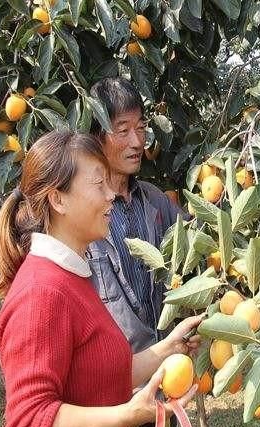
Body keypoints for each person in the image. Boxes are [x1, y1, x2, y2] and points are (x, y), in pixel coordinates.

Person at [0, 131, 201, 427]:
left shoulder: (71, 277)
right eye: (98, 184)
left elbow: (102, 373)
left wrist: (169, 347)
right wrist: (128, 414)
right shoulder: (42, 292)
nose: (111, 194)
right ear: (58, 199)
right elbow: (30, 420)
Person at [87, 77, 185, 355]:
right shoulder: (82, 212)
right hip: (111, 382)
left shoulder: (154, 200)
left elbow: (196, 239)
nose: (137, 141)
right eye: (123, 130)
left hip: (163, 369)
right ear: (97, 136)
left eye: (141, 128)